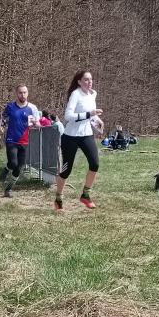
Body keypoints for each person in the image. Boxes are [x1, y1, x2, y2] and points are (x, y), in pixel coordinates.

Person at [54, 70, 103, 212]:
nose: (89, 82)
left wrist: (97, 121)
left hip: (86, 135)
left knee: (95, 164)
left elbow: (91, 115)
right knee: (66, 171)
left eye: (91, 79)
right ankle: (58, 198)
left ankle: (85, 195)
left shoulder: (93, 94)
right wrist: (89, 114)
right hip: (70, 137)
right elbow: (68, 116)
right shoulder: (75, 94)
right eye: (86, 79)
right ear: (79, 82)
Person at [0, 84, 40, 198]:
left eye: (25, 92)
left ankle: (8, 189)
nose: (23, 95)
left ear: (28, 93)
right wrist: (1, 126)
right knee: (13, 163)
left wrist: (37, 124)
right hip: (11, 139)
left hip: (24, 141)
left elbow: (37, 123)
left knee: (19, 168)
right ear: (16, 94)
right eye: (20, 93)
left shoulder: (32, 108)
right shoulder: (10, 107)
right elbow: (2, 118)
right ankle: (7, 168)